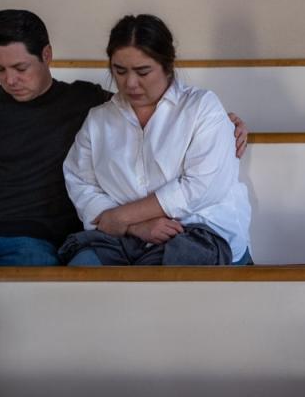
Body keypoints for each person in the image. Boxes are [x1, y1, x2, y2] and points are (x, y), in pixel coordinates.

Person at [0, 9, 247, 267]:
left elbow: (164, 111)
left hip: (34, 243)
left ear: (47, 55)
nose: (10, 80)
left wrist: (225, 123)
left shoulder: (84, 101)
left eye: (20, 67)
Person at [59, 14, 251, 266]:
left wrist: (122, 216)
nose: (130, 83)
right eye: (119, 71)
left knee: (156, 277)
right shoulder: (98, 119)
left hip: (196, 230)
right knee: (82, 267)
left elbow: (201, 187)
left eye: (143, 71)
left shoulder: (202, 107)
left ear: (167, 65)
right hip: (125, 236)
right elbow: (81, 182)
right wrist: (135, 226)